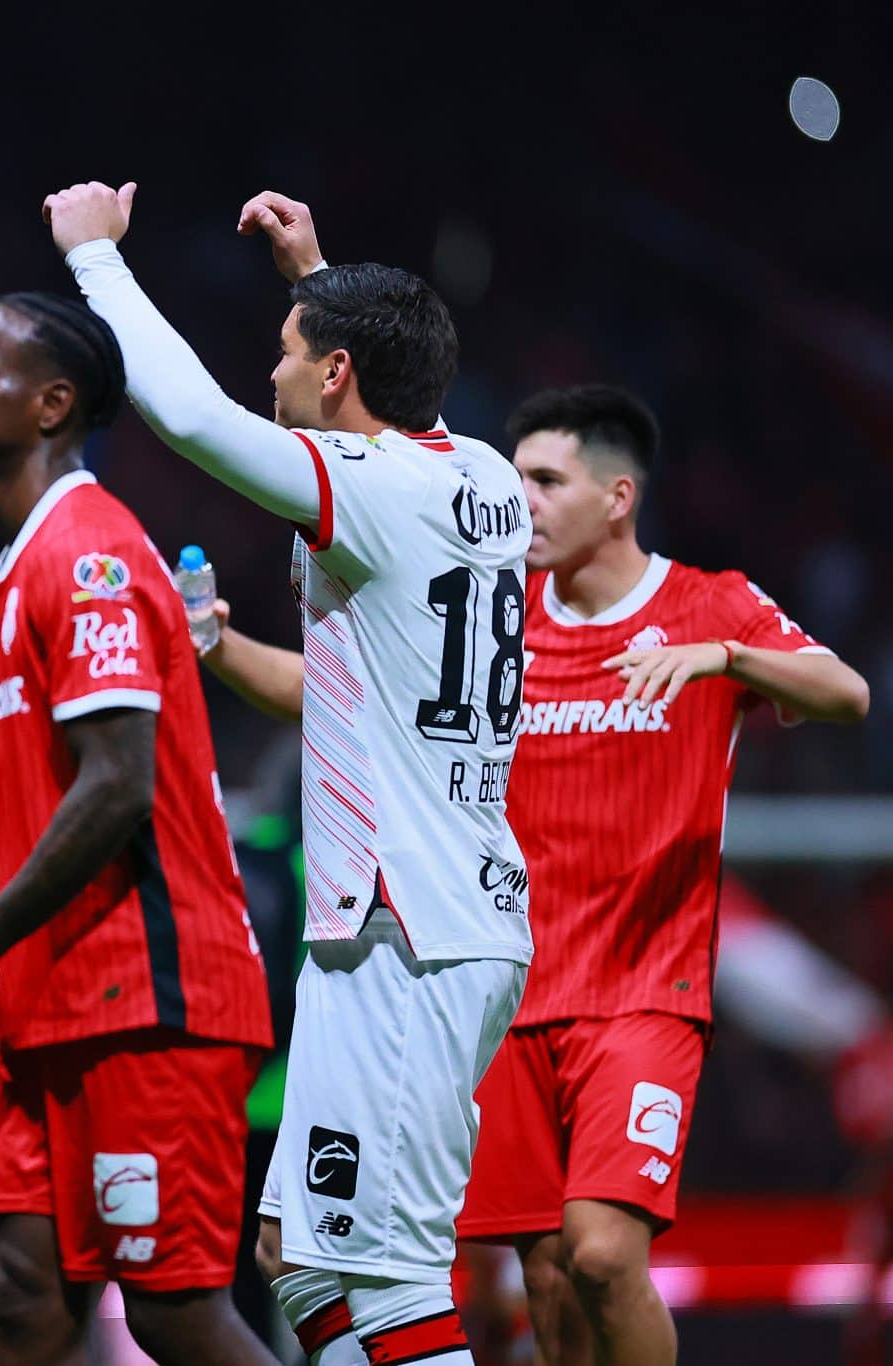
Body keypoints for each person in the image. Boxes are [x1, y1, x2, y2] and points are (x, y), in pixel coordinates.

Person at [49, 184, 531, 1366]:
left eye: (285, 354)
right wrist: (311, 283)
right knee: (300, 1256)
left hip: (408, 931)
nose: (270, 373)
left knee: (394, 1269)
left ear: (333, 378)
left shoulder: (371, 494)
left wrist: (96, 263)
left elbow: (194, 421)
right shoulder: (481, 476)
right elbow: (371, 407)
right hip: (407, 924)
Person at [0, 291, 276, 1365]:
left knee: (174, 1312)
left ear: (49, 404)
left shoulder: (86, 554)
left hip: (150, 992)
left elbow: (118, 787)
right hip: (60, 1000)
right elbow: (66, 793)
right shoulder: (21, 563)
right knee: (25, 1295)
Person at [453, 385, 869, 1364]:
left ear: (615, 496)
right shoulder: (496, 623)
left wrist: (725, 658)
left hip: (645, 994)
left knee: (599, 1255)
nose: (520, 503)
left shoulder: (705, 603)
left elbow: (844, 693)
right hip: (513, 1001)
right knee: (546, 1279)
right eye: (511, 482)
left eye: (543, 480)